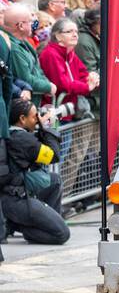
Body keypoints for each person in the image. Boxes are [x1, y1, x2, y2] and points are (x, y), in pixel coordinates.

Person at [1, 98, 69, 246]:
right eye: (34, 117)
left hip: (12, 194)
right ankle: (23, 227)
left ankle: (46, 222)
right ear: (22, 119)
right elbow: (53, 156)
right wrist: (48, 127)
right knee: (62, 234)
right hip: (16, 199)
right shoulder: (22, 139)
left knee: (54, 180)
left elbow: (35, 146)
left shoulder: (13, 134)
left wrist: (42, 129)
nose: (37, 119)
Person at [38, 18, 97, 121]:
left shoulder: (70, 53)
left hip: (68, 111)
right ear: (57, 36)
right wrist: (86, 87)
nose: (75, 35)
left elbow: (83, 75)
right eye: (69, 32)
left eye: (76, 32)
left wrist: (91, 78)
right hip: (53, 113)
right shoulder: (51, 54)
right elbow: (63, 84)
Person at [74, 7, 101, 116]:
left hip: (98, 100)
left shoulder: (96, 36)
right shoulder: (84, 41)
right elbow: (89, 74)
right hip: (92, 101)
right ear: (95, 22)